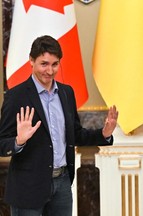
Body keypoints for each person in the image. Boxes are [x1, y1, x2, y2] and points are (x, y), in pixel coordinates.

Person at [0, 35, 118, 216]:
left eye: (55, 64)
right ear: (31, 61)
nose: (50, 70)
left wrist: (104, 133)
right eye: (44, 64)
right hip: (28, 188)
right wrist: (18, 141)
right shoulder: (16, 96)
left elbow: (75, 134)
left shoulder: (66, 92)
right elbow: (2, 144)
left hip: (62, 183)